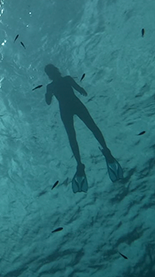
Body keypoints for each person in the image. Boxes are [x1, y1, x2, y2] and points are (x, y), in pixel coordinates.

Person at [44, 64, 123, 193]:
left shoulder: (56, 84)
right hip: (74, 105)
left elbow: (50, 100)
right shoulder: (60, 82)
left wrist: (49, 94)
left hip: (67, 108)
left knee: (79, 133)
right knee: (87, 130)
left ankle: (83, 162)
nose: (51, 74)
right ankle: (100, 152)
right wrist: (49, 94)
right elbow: (79, 90)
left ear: (51, 73)